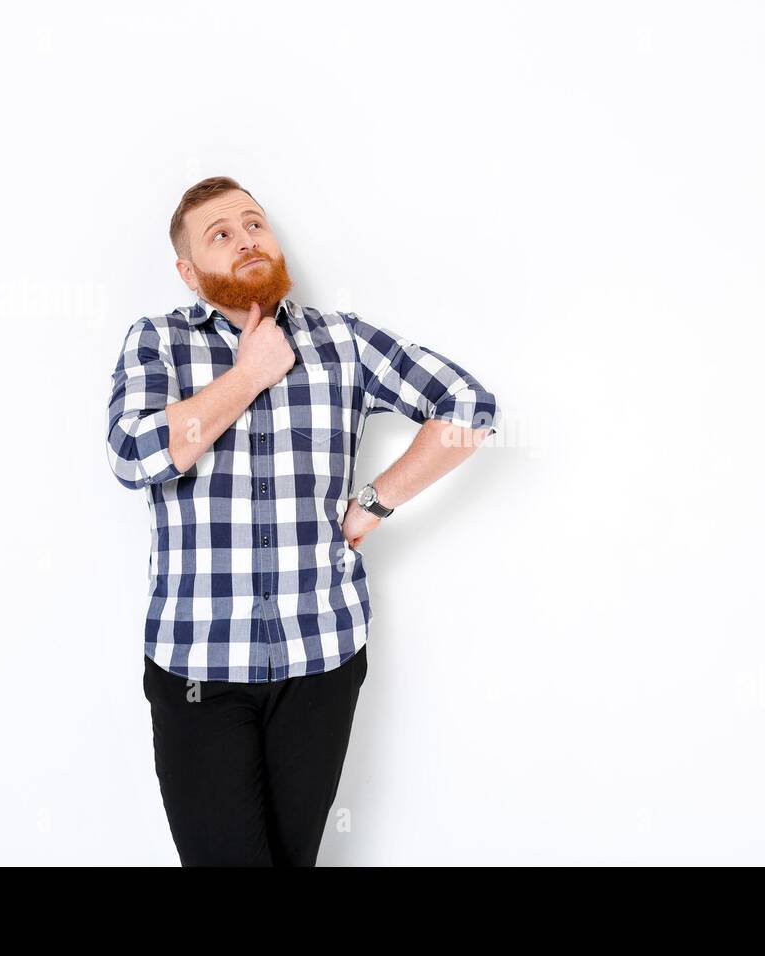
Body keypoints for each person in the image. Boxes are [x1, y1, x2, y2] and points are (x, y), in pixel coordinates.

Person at [105, 175, 500, 865]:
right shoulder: (159, 342)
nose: (245, 239)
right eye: (219, 235)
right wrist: (250, 374)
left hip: (321, 657)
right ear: (189, 272)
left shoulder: (340, 340)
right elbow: (135, 454)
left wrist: (376, 502)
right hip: (199, 664)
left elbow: (468, 406)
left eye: (253, 223)